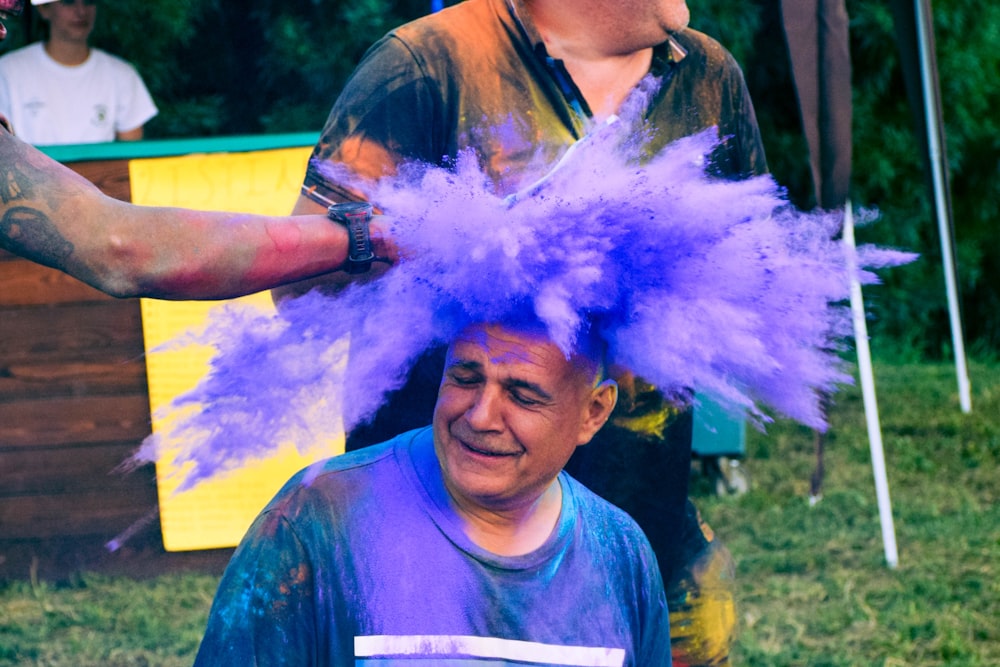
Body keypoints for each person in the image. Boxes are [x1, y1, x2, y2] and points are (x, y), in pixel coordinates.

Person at [275, 1, 766, 663]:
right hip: (434, 565)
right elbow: (300, 284)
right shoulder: (426, 67)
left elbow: (755, 281)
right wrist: (456, 243)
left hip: (637, 538)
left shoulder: (707, 76)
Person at [194, 318, 673, 666]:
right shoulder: (315, 521)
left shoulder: (621, 553)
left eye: (523, 396)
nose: (480, 416)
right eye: (465, 378)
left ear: (593, 412)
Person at [0, 0, 157, 145]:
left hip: (102, 176)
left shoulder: (123, 75)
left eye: (89, 1)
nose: (81, 11)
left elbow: (131, 158)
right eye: (68, 1)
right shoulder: (7, 70)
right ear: (43, 8)